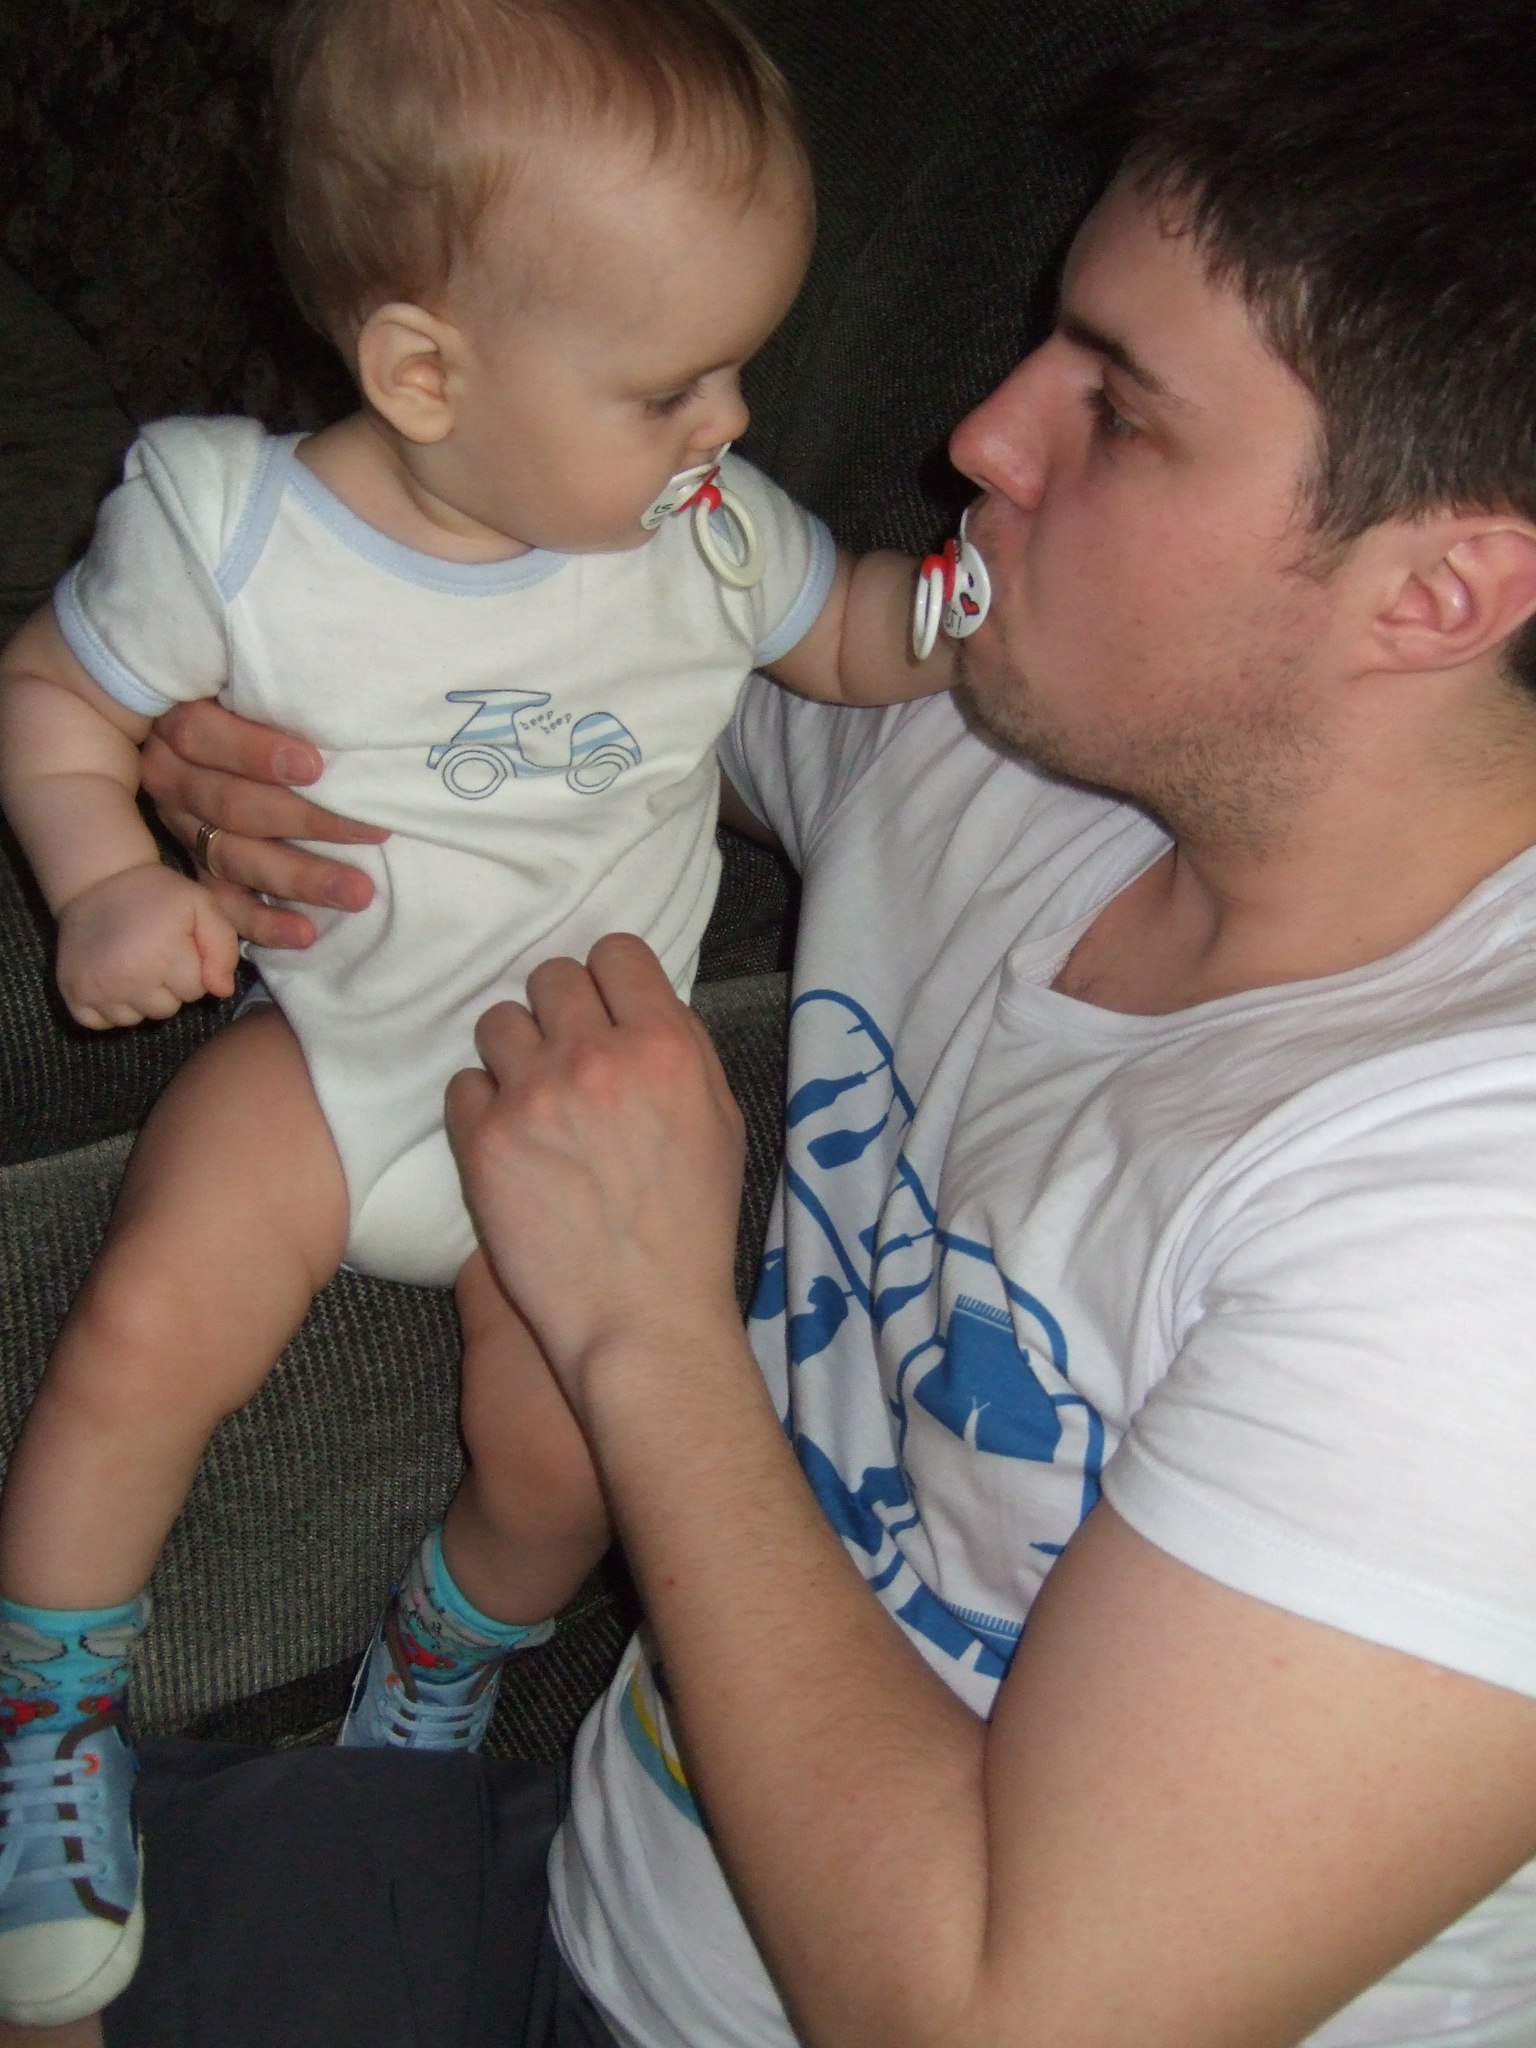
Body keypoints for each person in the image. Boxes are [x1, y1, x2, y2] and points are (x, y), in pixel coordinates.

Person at [14, 0, 1536, 2042]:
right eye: (1045, 340)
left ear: (1438, 593)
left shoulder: (1476, 1233)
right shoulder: (1015, 746)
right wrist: (234, 760)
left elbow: (999, 2025)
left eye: (1116, 408)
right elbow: (551, 688)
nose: (980, 433)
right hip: (569, 1875)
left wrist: (645, 1318)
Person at [0, 0, 959, 2026]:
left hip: (576, 1115)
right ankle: (49, 1709)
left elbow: (854, 642)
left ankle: (436, 1670)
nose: (730, 421)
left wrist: (969, 605)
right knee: (143, 1331)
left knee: (568, 1466)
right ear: (424, 371)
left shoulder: (708, 535)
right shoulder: (229, 528)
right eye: (670, 383)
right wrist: (103, 880)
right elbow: (55, 694)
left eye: (741, 366)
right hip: (336, 1060)